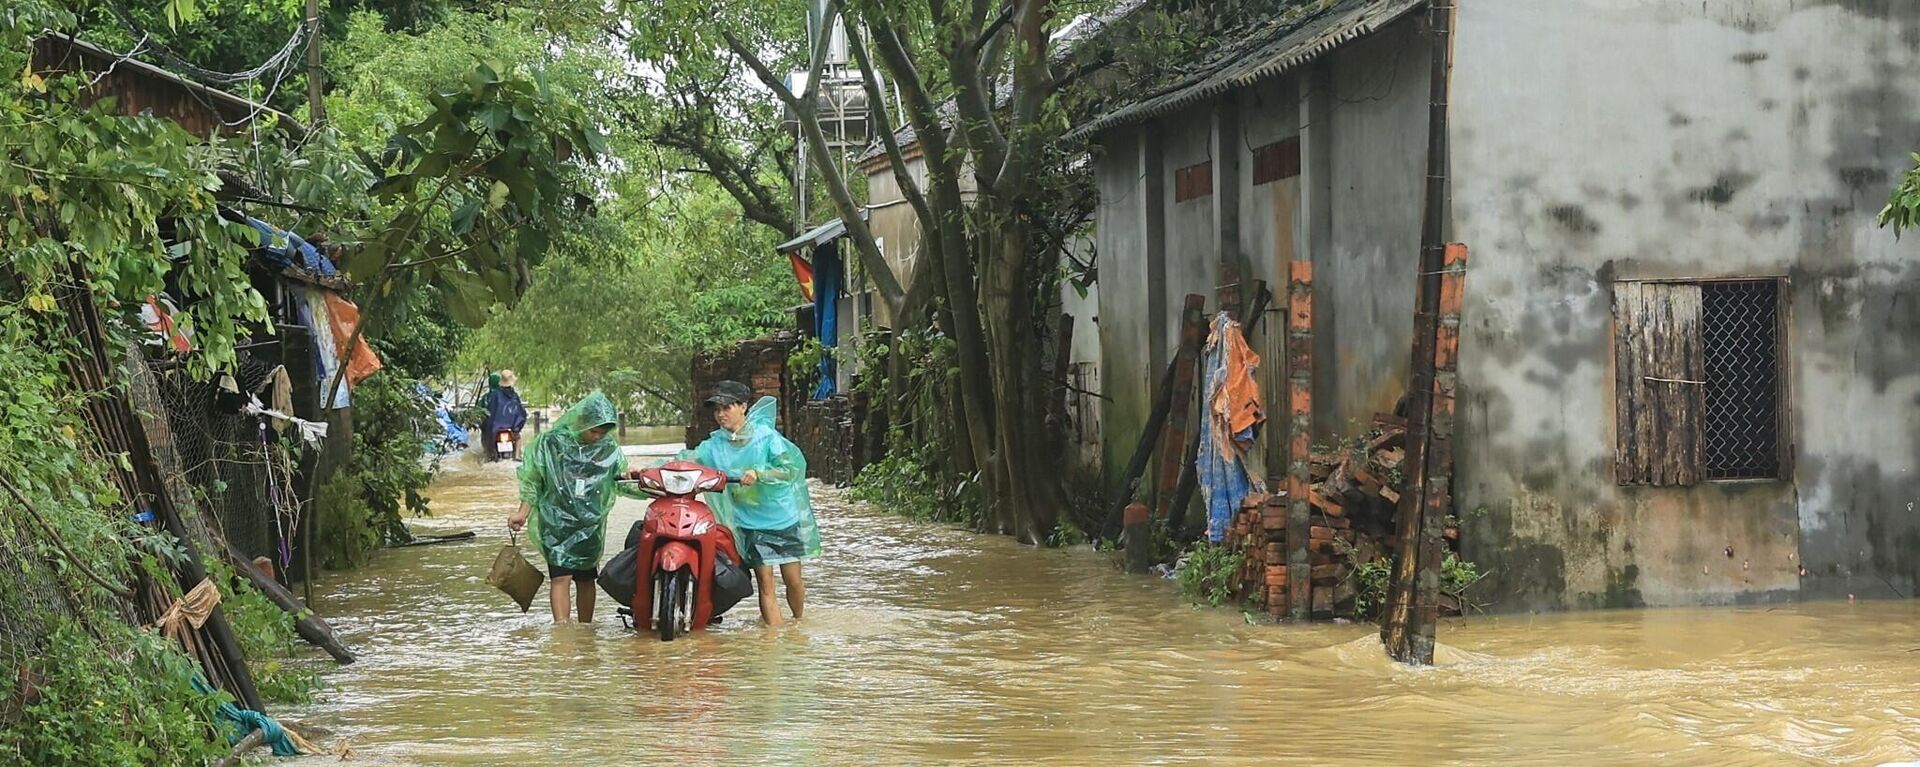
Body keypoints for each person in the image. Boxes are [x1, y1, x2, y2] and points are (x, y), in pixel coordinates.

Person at [683, 380, 820, 627]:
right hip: (749, 523)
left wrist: (760, 473)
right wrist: (646, 471)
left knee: (793, 580)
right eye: (716, 409)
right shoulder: (713, 446)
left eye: (726, 407)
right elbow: (687, 460)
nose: (720, 414)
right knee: (765, 583)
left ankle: (798, 626)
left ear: (743, 406)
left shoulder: (766, 438)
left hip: (782, 518)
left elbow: (790, 469)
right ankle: (774, 642)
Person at [507, 391, 638, 623]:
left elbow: (618, 479)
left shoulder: (608, 448)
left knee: (587, 579)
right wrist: (522, 514)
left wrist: (639, 479)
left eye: (602, 431)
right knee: (561, 578)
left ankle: (586, 630)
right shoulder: (551, 443)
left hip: (589, 523)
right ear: (581, 422)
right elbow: (533, 481)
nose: (597, 436)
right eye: (593, 430)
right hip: (556, 523)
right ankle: (562, 630)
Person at [479, 371, 528, 460]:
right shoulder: (514, 395)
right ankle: (517, 455)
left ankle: (491, 455)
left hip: (495, 428)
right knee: (518, 437)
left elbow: (489, 411)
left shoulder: (492, 395)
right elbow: (520, 412)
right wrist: (517, 426)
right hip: (511, 428)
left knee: (488, 441)